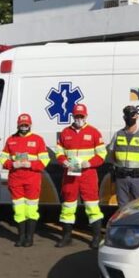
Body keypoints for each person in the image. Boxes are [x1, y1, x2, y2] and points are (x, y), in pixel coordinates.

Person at [55, 103, 106, 248]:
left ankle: (96, 237)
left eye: (81, 116)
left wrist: (89, 163)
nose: (79, 118)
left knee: (92, 206)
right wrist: (63, 161)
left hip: (88, 174)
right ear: (72, 116)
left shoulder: (94, 132)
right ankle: (66, 237)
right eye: (76, 116)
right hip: (70, 174)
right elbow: (59, 153)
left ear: (86, 116)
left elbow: (102, 155)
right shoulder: (65, 132)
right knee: (68, 206)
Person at [0, 113, 50, 247]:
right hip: (15, 180)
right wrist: (12, 164)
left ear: (30, 125)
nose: (24, 127)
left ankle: (30, 237)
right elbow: (2, 159)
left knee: (31, 209)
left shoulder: (38, 140)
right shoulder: (11, 140)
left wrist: (31, 165)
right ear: (18, 125)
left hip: (32, 179)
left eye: (26, 124)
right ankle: (21, 236)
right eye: (22, 124)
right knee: (18, 210)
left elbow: (45, 160)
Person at [108, 105, 139, 208]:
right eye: (127, 115)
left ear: (137, 117)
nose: (129, 118)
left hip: (137, 177)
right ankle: (123, 224)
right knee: (122, 206)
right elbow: (111, 155)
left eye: (132, 115)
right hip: (121, 177)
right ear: (124, 117)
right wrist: (117, 166)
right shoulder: (118, 134)